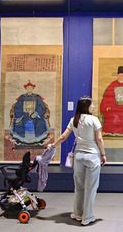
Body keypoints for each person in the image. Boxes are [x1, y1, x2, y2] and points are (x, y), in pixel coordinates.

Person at [48, 96, 106, 226]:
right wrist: (103, 154)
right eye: (92, 105)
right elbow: (99, 139)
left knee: (79, 187)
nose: (94, 107)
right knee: (91, 188)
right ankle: (87, 216)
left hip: (78, 157)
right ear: (87, 106)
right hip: (92, 157)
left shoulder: (74, 120)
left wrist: (53, 146)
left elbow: (63, 136)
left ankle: (78, 214)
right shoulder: (94, 120)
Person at [10, 80, 50, 144]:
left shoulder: (37, 97)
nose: (29, 89)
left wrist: (36, 113)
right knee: (18, 123)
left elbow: (42, 106)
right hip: (23, 115)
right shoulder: (22, 97)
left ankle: (40, 139)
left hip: (35, 116)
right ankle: (19, 140)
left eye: (30, 88)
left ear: (32, 88)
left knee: (40, 122)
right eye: (28, 88)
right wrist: (22, 115)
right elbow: (17, 107)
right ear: (26, 88)